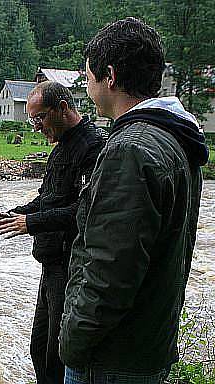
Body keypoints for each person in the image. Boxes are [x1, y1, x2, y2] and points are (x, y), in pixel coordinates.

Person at [59, 17, 210, 384]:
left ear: (109, 76)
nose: (89, 86)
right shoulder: (176, 139)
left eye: (89, 75)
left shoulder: (129, 150)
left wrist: (71, 342)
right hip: (148, 346)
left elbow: (110, 271)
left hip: (110, 359)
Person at [0, 81, 106, 384]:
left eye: (39, 118)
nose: (36, 126)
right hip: (50, 266)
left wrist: (30, 224)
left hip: (72, 266)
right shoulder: (60, 149)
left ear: (62, 108)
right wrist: (15, 214)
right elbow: (47, 201)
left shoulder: (94, 148)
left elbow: (85, 211)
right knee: (39, 347)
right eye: (32, 119)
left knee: (57, 354)